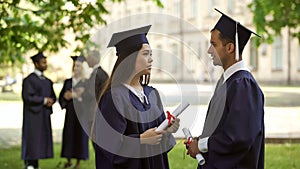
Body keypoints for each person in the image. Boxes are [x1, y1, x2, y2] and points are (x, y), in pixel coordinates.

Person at [92, 25, 180, 169]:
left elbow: (161, 143)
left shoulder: (152, 95)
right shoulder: (114, 98)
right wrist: (140, 141)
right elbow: (108, 148)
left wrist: (167, 130)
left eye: (151, 54)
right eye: (145, 54)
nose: (151, 59)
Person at [186, 9, 265, 169]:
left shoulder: (243, 85)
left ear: (230, 48)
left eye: (214, 45)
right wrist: (199, 140)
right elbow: (224, 128)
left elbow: (239, 137)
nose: (209, 51)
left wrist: (201, 145)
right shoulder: (228, 81)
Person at [21, 52, 56, 169]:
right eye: (43, 62)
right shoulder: (29, 80)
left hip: (43, 115)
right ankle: (29, 163)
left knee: (40, 139)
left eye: (46, 62)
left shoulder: (47, 81)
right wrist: (44, 100)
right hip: (32, 115)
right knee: (31, 138)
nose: (45, 64)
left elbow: (53, 96)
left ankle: (35, 164)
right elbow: (28, 97)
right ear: (36, 64)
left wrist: (51, 100)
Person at [58, 56, 89, 169]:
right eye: (75, 66)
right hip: (70, 114)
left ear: (82, 68)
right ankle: (69, 160)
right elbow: (61, 97)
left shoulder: (86, 83)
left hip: (81, 114)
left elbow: (89, 99)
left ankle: (78, 163)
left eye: (79, 66)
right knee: (69, 135)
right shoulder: (68, 82)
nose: (76, 68)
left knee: (80, 136)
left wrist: (77, 96)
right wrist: (66, 98)